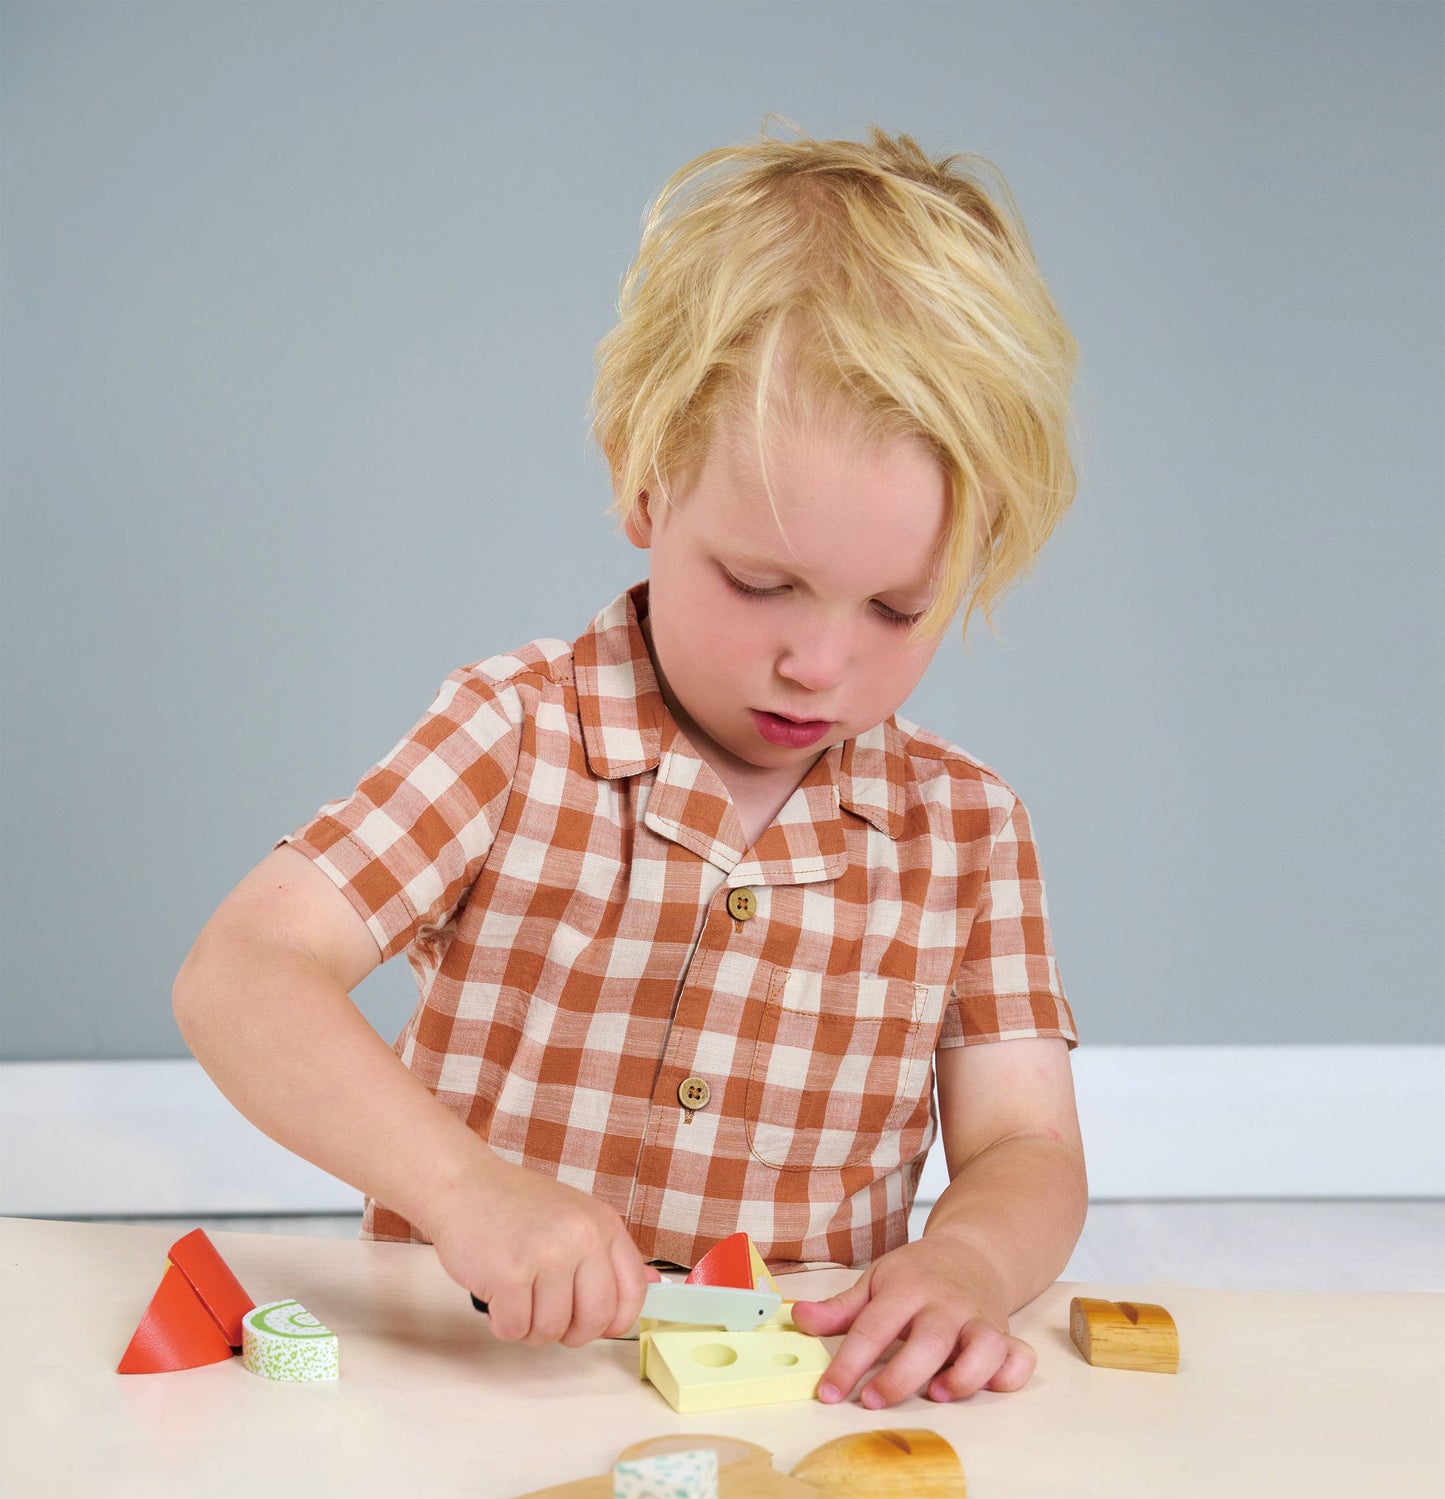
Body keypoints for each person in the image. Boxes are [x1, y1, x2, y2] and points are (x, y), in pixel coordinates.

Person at [173, 119, 1087, 1409]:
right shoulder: (517, 732)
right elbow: (243, 973)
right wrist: (466, 1189)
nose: (820, 665)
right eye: (764, 584)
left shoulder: (971, 831)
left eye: (897, 610)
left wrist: (968, 1264)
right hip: (474, 1372)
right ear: (647, 486)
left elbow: (1026, 1144)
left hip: (806, 1399)